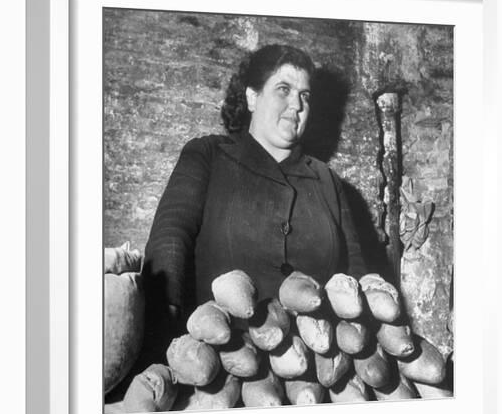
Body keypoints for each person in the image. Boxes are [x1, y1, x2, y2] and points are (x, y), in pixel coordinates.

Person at [142, 44, 366, 336]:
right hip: (223, 355)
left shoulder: (328, 181)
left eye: (305, 96)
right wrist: (161, 326)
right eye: (283, 89)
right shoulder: (209, 155)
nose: (297, 105)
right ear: (252, 97)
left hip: (315, 360)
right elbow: (170, 237)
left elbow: (357, 273)